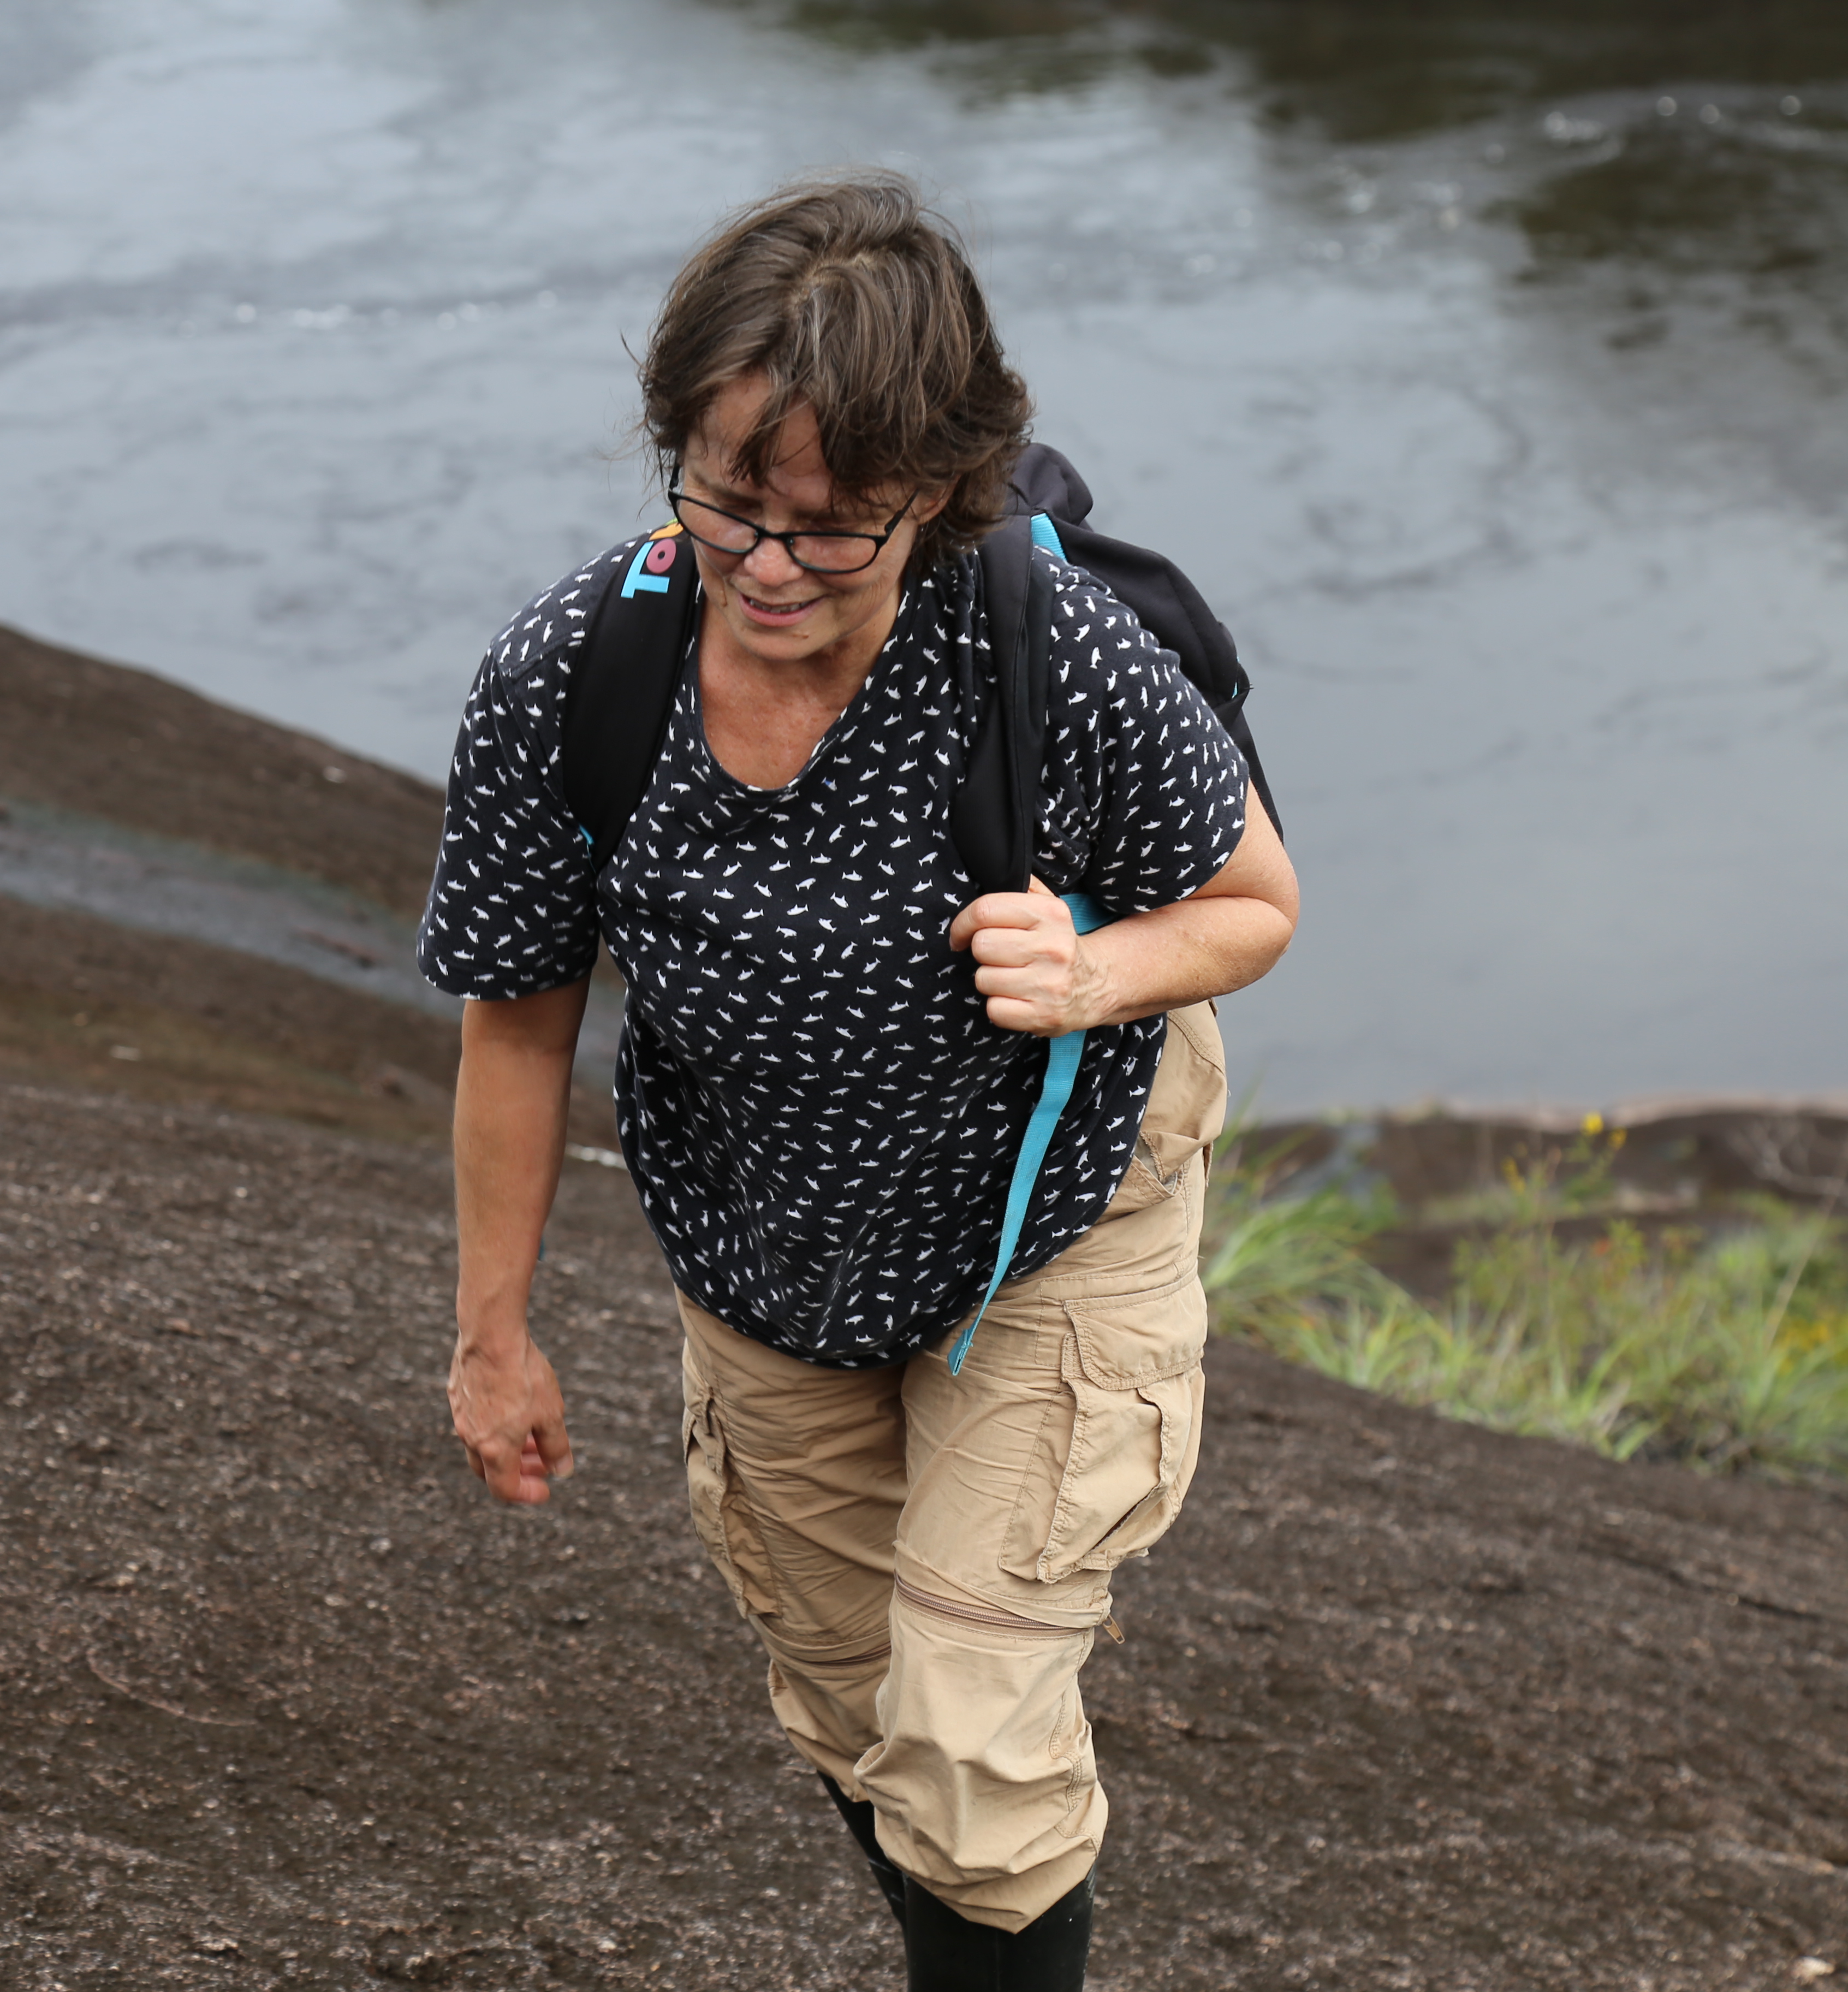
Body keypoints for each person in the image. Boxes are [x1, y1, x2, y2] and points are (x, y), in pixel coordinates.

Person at [417, 174, 1300, 1990]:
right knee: (856, 1723)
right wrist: (490, 1333)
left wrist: (1096, 971)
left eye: (836, 530)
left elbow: (1252, 902)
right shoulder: (577, 674)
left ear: (939, 496)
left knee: (970, 1748)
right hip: (773, 1255)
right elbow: (519, 1015)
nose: (767, 566)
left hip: (1057, 1215)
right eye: (730, 502)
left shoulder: (1052, 659)